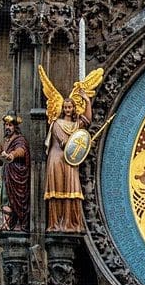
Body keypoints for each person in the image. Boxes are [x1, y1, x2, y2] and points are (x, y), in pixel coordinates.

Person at [40, 65, 103, 232]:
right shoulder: (56, 124)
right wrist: (82, 145)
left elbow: (87, 121)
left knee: (72, 189)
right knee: (57, 190)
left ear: (74, 109)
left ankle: (71, 223)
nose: (68, 109)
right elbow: (64, 143)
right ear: (62, 108)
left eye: (70, 107)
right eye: (65, 107)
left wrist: (87, 100)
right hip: (57, 158)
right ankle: (55, 224)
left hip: (70, 160)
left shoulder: (76, 124)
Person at [0, 114, 30, 231]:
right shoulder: (4, 141)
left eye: (10, 125)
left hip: (17, 174)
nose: (7, 127)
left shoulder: (20, 140)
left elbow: (21, 151)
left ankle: (17, 224)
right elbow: (0, 161)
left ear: (15, 127)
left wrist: (12, 155)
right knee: (5, 198)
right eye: (6, 125)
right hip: (7, 174)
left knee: (16, 199)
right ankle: (6, 224)